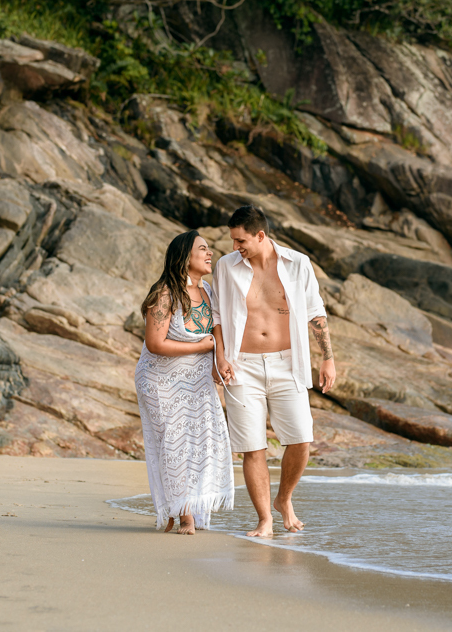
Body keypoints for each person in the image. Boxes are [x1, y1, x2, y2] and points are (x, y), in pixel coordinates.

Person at [212, 205, 336, 537]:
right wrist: (220, 357)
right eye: (233, 241)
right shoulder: (226, 267)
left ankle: (284, 498)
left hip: (287, 363)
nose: (236, 247)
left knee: (301, 440)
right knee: (253, 446)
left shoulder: (298, 264)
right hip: (242, 367)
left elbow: (315, 312)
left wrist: (328, 358)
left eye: (241, 241)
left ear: (260, 235)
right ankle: (265, 519)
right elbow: (218, 316)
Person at [133, 230, 234, 535]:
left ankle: (178, 509)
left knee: (203, 443)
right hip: (160, 380)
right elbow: (155, 343)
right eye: (202, 249)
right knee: (174, 442)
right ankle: (184, 515)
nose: (210, 253)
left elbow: (216, 334)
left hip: (197, 379)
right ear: (184, 257)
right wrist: (202, 348)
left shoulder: (209, 294)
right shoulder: (165, 293)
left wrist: (220, 360)